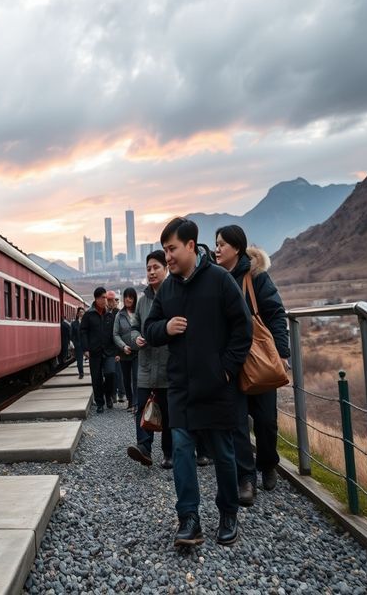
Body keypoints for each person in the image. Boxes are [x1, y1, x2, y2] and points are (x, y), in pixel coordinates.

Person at [144, 217, 252, 548]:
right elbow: (150, 329)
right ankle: (189, 520)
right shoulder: (169, 288)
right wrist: (166, 329)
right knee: (181, 450)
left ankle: (228, 513)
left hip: (216, 386)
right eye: (165, 250)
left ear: (191, 246)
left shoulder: (220, 280)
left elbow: (242, 328)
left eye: (172, 249)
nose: (168, 256)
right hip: (180, 388)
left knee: (223, 452)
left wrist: (226, 370)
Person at [215, 224, 290, 506]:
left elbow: (275, 312)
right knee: (236, 423)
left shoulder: (257, 277)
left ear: (237, 247)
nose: (217, 249)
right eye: (216, 243)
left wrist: (281, 351)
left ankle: (268, 463)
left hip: (257, 359)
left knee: (266, 420)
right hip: (230, 362)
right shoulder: (215, 279)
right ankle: (246, 478)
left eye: (222, 244)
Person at [126, 252, 172, 469]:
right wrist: (136, 338)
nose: (151, 272)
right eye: (148, 268)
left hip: (168, 365)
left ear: (166, 269)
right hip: (145, 365)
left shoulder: (174, 295)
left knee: (168, 411)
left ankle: (169, 453)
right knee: (142, 407)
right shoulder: (142, 301)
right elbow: (134, 327)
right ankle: (144, 448)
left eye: (156, 267)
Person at [80, 287, 118, 413]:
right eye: (103, 297)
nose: (105, 300)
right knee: (96, 378)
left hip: (109, 351)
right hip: (94, 352)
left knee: (110, 373)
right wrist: (86, 348)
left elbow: (114, 333)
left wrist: (117, 351)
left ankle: (108, 396)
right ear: (96, 299)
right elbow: (83, 332)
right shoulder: (88, 315)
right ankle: (100, 402)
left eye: (106, 298)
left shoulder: (110, 315)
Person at [113, 287, 139, 412]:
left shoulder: (138, 312)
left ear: (134, 299)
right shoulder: (119, 315)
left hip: (138, 352)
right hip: (124, 353)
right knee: (126, 379)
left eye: (131, 297)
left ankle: (136, 403)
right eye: (126, 297)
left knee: (136, 377)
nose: (128, 299)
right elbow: (115, 334)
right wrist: (123, 346)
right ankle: (130, 401)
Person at [70, 307, 85, 378]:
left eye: (83, 312)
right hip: (78, 344)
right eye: (80, 312)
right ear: (78, 314)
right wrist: (73, 343)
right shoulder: (74, 324)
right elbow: (71, 334)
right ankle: (81, 373)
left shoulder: (87, 322)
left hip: (87, 344)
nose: (82, 313)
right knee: (79, 360)